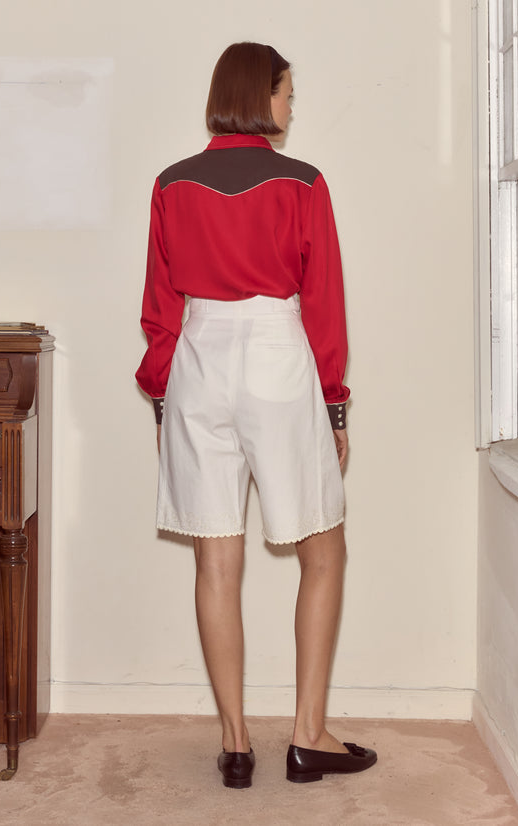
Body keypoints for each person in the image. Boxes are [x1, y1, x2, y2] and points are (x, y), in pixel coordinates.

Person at [136, 42, 377, 788]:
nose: (291, 107)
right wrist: (334, 404)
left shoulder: (172, 184)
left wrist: (163, 394)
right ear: (259, 96)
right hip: (276, 354)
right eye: (287, 94)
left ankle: (236, 743)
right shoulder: (302, 182)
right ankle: (307, 737)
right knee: (323, 547)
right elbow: (324, 301)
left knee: (216, 556)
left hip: (199, 359)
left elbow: (160, 304)